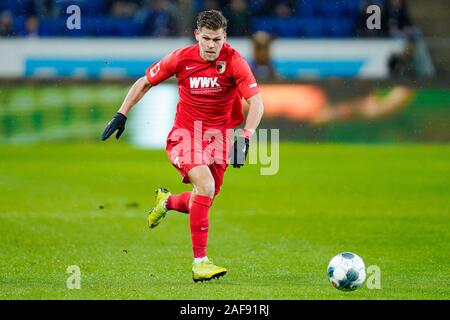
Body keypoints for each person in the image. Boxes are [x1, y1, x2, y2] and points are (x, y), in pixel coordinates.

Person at [101, 10, 264, 282]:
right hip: (185, 135)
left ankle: (166, 202)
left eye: (217, 39)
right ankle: (200, 263)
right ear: (197, 35)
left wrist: (246, 137)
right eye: (207, 39)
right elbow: (145, 82)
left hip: (219, 138)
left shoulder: (235, 61)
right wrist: (122, 113)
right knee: (206, 186)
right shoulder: (181, 58)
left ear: (225, 37)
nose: (212, 45)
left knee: (204, 196)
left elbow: (256, 101)